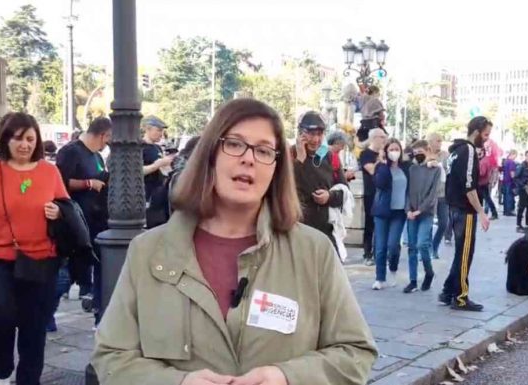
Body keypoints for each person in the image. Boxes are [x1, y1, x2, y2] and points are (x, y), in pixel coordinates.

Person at [92, 98, 377, 385]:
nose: (249, 158)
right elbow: (112, 358)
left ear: (277, 169)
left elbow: (355, 353)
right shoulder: (148, 251)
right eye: (235, 144)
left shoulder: (313, 251)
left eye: (264, 150)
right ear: (210, 155)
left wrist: (287, 377)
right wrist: (177, 383)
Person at [0, 112, 69, 385]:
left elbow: (68, 209)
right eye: (18, 138)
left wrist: (58, 212)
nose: (24, 145)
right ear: (5, 139)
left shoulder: (50, 171)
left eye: (30, 139)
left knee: (34, 331)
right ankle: (3, 365)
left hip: (41, 259)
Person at [55, 117, 112, 325]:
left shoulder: (96, 155)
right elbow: (61, 182)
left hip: (97, 218)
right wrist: (88, 183)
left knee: (98, 264)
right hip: (77, 219)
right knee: (69, 271)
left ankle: (97, 302)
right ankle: (47, 311)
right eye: (107, 139)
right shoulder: (70, 152)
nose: (107, 144)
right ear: (102, 134)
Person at [440, 116, 492, 311]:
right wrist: (481, 212)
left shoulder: (455, 152)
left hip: (454, 207)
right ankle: (461, 297)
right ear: (477, 131)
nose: (486, 139)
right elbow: (469, 185)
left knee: (460, 253)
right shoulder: (468, 150)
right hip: (464, 210)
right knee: (465, 255)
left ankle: (448, 290)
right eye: (486, 134)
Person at [292, 111, 347, 253]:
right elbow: (286, 189)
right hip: (297, 231)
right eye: (310, 134)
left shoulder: (330, 157)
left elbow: (344, 193)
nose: (315, 140)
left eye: (319, 134)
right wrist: (300, 161)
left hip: (326, 232)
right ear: (300, 133)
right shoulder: (289, 155)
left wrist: (329, 196)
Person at [371, 138, 409, 290]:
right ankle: (380, 278)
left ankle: (393, 268)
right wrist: (382, 163)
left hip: (399, 212)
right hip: (382, 211)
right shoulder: (381, 167)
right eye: (391, 149)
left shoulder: (406, 167)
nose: (394, 152)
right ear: (386, 151)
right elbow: (379, 183)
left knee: (393, 245)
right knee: (380, 246)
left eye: (397, 149)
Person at [403, 140, 440, 293]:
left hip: (426, 214)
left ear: (427, 150)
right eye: (415, 152)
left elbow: (433, 194)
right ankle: (413, 280)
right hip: (411, 212)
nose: (418, 155)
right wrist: (408, 210)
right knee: (411, 247)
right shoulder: (412, 169)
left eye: (421, 152)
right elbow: (407, 191)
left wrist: (421, 210)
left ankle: (429, 272)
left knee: (422, 244)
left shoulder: (435, 169)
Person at [359, 128, 388, 265]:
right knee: (370, 223)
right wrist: (380, 159)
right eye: (382, 137)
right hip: (371, 193)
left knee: (383, 224)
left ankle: (380, 253)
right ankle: (367, 253)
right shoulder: (365, 154)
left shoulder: (386, 153)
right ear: (374, 138)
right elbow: (371, 170)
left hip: (384, 193)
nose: (384, 140)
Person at [141, 115, 175, 201]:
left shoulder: (158, 148)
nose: (161, 134)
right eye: (159, 130)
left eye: (162, 131)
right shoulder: (139, 147)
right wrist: (156, 165)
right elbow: (136, 171)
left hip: (158, 193)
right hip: (145, 193)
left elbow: (165, 170)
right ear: (148, 129)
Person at [427, 132, 449, 259]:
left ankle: (435, 246)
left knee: (443, 223)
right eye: (438, 141)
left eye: (441, 141)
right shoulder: (426, 155)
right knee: (428, 223)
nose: (440, 143)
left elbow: (449, 171)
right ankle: (428, 249)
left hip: (443, 194)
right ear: (430, 141)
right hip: (430, 194)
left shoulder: (445, 155)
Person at [478, 147, 498, 220]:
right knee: (486, 198)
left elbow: (482, 173)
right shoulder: (486, 160)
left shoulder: (483, 161)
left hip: (482, 182)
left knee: (487, 198)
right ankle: (492, 212)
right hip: (485, 182)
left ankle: (494, 213)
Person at [501, 150, 518, 216]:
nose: (515, 157)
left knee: (505, 196)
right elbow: (512, 173)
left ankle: (505, 211)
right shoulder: (512, 162)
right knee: (509, 196)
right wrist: (515, 180)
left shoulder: (506, 162)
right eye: (515, 156)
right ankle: (509, 211)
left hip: (505, 181)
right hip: (510, 182)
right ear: (513, 154)